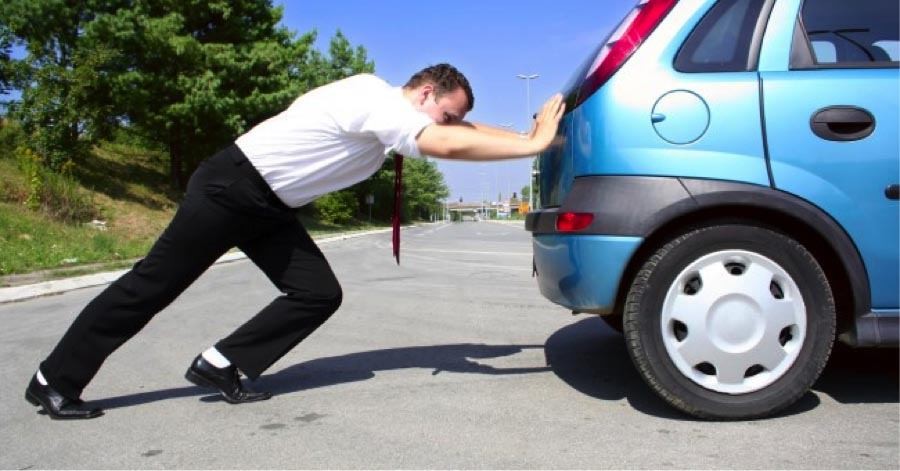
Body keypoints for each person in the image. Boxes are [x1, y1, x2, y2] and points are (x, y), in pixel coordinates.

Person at [25, 63, 565, 420]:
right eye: (447, 111)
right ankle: (53, 379)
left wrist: (528, 138)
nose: (452, 122)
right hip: (230, 187)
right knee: (152, 286)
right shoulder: (375, 100)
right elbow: (445, 142)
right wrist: (530, 145)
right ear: (425, 93)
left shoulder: (388, 110)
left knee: (315, 292)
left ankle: (222, 363)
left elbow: (460, 131)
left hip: (267, 205)